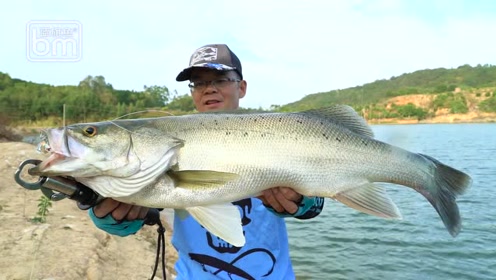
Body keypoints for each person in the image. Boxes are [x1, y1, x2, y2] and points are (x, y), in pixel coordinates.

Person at [88, 44, 325, 279]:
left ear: (241, 87)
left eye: (220, 79)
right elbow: (141, 211)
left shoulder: (277, 134)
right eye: (199, 82)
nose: (209, 89)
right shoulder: (166, 142)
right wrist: (112, 217)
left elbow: (315, 205)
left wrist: (300, 202)